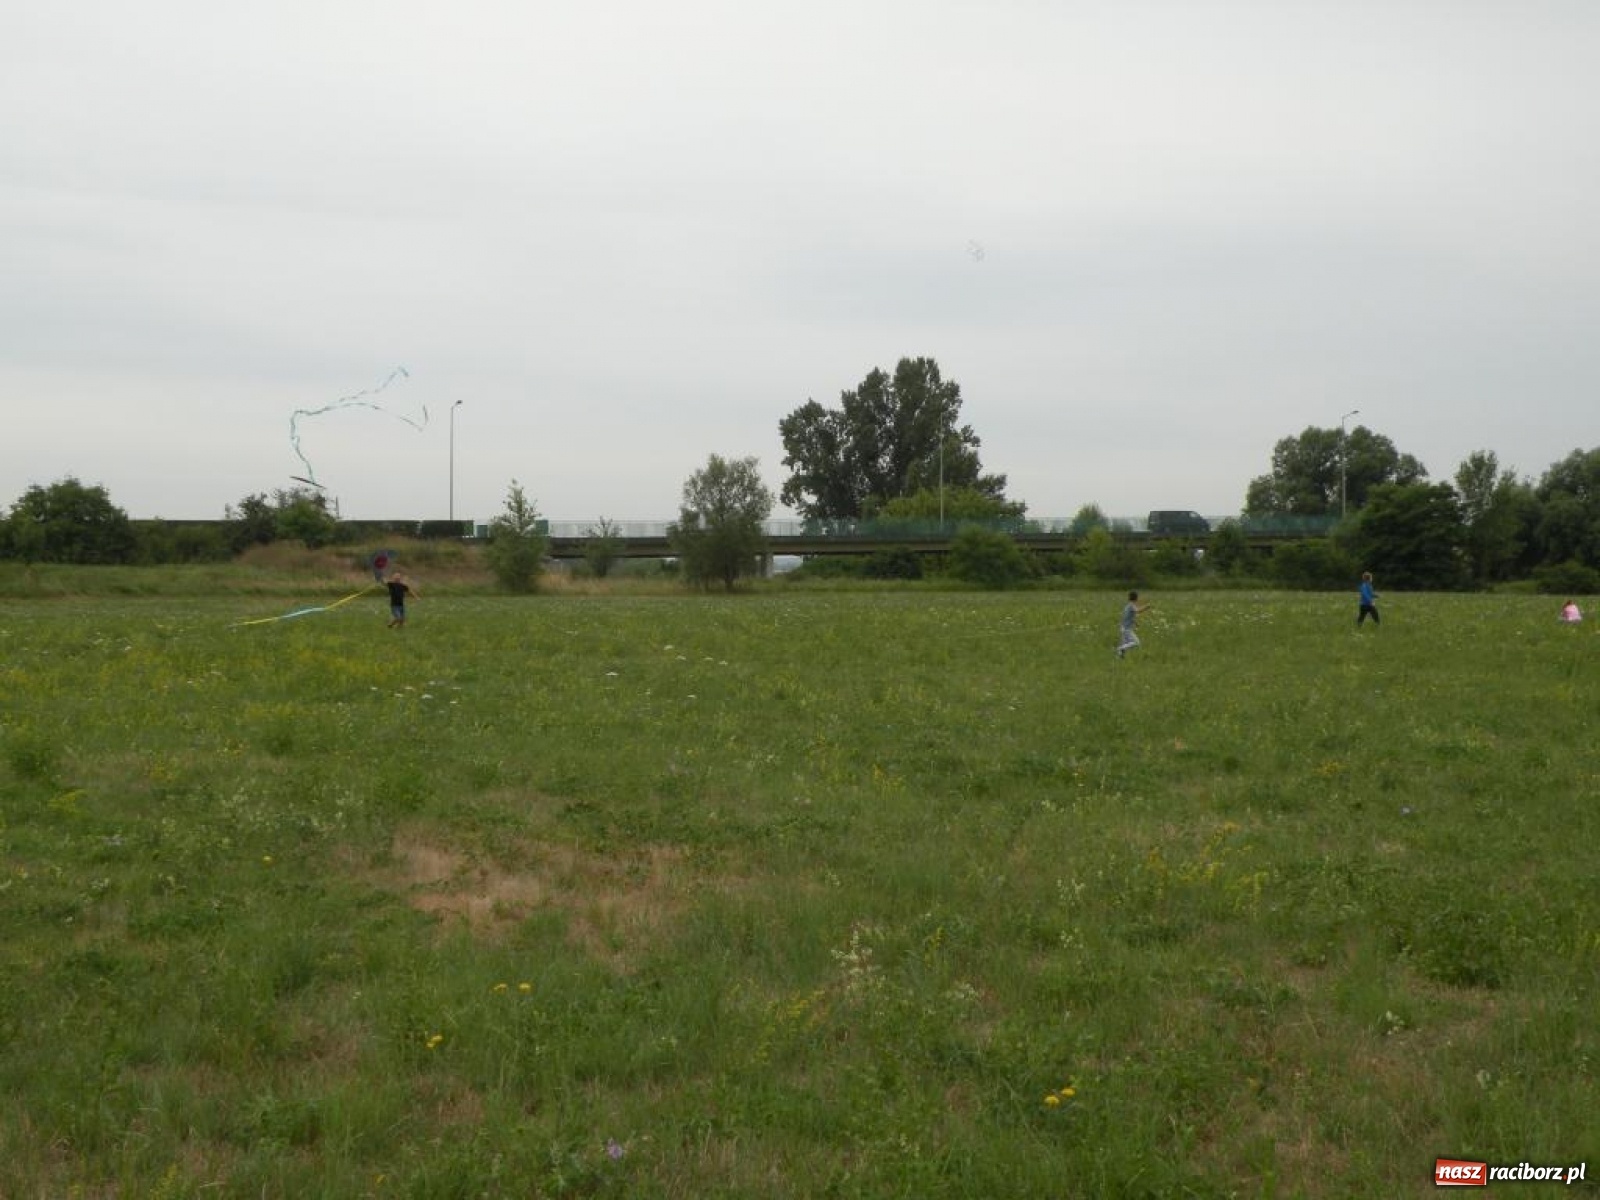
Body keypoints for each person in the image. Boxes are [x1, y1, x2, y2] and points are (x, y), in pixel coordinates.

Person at [1117, 590, 1151, 658]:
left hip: (1123, 627)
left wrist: (1135, 622)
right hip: (1127, 629)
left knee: (1125, 644)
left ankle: (1119, 658)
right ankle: (1120, 649)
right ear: (1136, 598)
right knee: (1136, 642)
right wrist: (1146, 607)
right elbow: (1138, 611)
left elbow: (1127, 616)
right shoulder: (1131, 605)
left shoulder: (1127, 606)